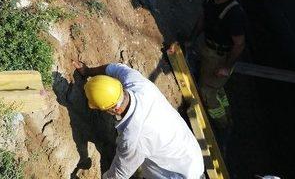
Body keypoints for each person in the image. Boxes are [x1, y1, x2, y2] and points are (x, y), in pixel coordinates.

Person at [73, 61, 204, 179]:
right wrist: (88, 71)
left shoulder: (134, 138)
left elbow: (119, 174)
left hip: (178, 175)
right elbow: (114, 68)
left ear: (114, 109)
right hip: (190, 154)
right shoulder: (137, 83)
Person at [187, 0, 246, 131]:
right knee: (216, 87)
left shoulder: (234, 13)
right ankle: (226, 112)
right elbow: (203, 19)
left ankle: (222, 124)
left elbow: (239, 44)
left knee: (207, 91)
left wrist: (226, 67)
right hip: (208, 48)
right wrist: (191, 39)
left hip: (220, 57)